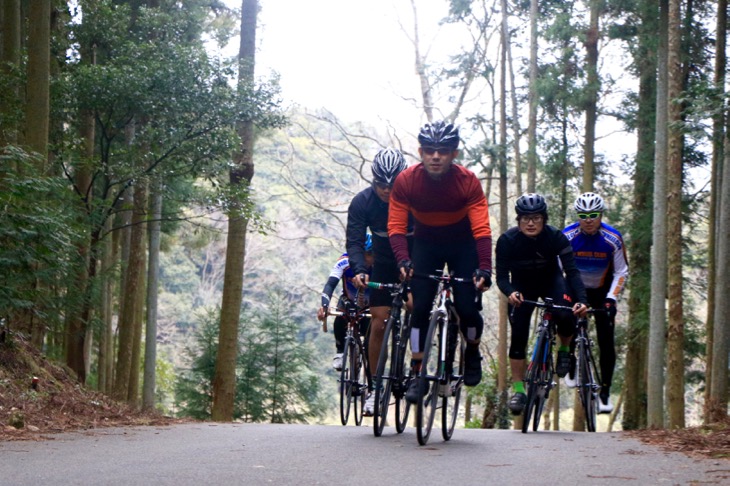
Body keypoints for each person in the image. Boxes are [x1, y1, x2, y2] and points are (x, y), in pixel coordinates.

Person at [387, 120, 493, 404]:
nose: (436, 156)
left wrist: (485, 267)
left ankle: (472, 350)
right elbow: (396, 227)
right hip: (427, 243)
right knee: (419, 306)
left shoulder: (467, 181)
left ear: (454, 154)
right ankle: (416, 370)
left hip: (463, 244)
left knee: (467, 307)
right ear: (421, 152)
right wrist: (403, 260)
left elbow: (482, 229)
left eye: (443, 151)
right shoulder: (407, 181)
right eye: (430, 150)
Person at [495, 193, 589, 415]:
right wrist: (510, 292)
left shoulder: (556, 237)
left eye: (536, 218)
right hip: (521, 287)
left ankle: (564, 349)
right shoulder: (507, 241)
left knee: (566, 316)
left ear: (544, 219)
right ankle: (519, 389)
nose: (530, 223)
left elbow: (572, 272)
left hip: (551, 282)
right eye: (525, 218)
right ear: (518, 220)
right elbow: (501, 278)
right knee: (518, 335)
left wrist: (582, 301)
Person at [347, 147, 412, 416]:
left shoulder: (415, 199)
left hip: (413, 258)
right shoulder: (363, 202)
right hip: (384, 263)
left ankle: (416, 368)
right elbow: (355, 241)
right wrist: (360, 269)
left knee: (416, 308)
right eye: (380, 185)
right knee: (378, 322)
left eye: (392, 185)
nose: (386, 190)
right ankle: (373, 389)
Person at [562, 192, 628, 414]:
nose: (588, 219)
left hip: (601, 291)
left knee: (606, 340)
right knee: (565, 320)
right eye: (583, 215)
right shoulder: (568, 236)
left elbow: (621, 271)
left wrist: (611, 298)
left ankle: (605, 391)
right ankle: (569, 361)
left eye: (593, 215)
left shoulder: (613, 239)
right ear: (578, 216)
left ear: (601, 215)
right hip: (575, 287)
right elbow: (557, 268)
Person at [316, 236, 373, 375]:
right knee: (341, 314)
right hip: (348, 300)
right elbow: (330, 284)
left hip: (370, 304)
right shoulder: (344, 261)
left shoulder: (379, 264)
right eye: (368, 255)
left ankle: (370, 361)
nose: (371, 258)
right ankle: (340, 351)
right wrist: (324, 305)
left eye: (373, 254)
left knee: (371, 331)